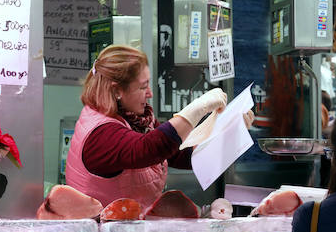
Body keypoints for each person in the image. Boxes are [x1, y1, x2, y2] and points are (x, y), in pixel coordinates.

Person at [65, 45, 253, 208]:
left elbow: (181, 154)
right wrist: (197, 108)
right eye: (142, 87)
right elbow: (150, 149)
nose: (149, 94)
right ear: (116, 90)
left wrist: (232, 134)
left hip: (126, 230)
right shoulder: (101, 133)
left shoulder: (137, 120)